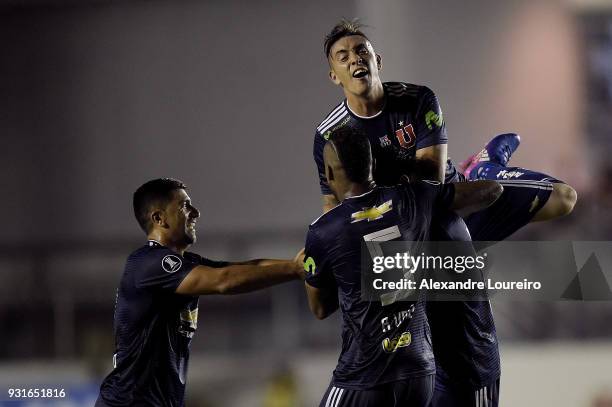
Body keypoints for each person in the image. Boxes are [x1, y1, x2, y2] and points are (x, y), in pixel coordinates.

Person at [312, 20, 578, 407]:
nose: (355, 59)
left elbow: (431, 181)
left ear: (376, 59)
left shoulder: (417, 99)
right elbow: (335, 209)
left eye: (361, 51)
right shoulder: (328, 136)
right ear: (333, 75)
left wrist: (376, 202)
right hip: (413, 230)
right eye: (343, 56)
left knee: (564, 198)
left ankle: (485, 168)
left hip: (450, 203)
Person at [303, 128, 502, 407]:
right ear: (371, 164)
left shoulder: (324, 231)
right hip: (420, 374)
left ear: (329, 173)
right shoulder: (415, 199)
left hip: (365, 375)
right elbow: (491, 191)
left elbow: (320, 309)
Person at [95, 178, 304, 407]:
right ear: (159, 218)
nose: (196, 213)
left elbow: (243, 268)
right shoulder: (149, 263)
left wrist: (296, 264)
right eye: (184, 206)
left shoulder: (184, 263)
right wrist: (294, 270)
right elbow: (224, 281)